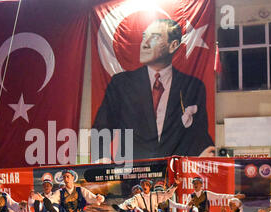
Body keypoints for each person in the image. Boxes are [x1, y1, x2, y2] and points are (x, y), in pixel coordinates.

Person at [92, 18, 215, 161]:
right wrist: (102, 160)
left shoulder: (193, 86)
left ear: (173, 45)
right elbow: (101, 128)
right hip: (131, 176)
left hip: (173, 175)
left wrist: (205, 153)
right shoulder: (121, 84)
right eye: (144, 36)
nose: (145, 43)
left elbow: (199, 133)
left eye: (155, 37)